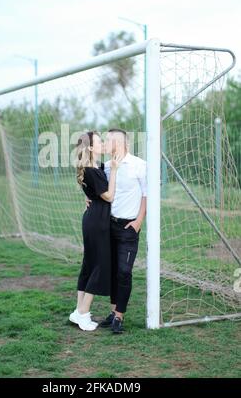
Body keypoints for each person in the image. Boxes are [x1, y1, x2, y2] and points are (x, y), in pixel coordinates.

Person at [69, 131, 122, 331]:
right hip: (97, 221)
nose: (103, 144)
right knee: (99, 265)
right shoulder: (91, 169)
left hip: (92, 218)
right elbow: (108, 196)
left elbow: (93, 190)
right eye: (100, 141)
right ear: (90, 147)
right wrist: (115, 170)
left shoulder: (94, 166)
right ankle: (83, 313)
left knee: (89, 264)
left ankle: (78, 311)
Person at [99, 128, 147, 334]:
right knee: (111, 271)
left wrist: (138, 221)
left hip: (129, 227)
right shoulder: (106, 167)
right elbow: (99, 191)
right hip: (109, 225)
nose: (105, 142)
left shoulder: (139, 165)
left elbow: (147, 195)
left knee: (124, 271)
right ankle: (113, 313)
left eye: (108, 139)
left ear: (121, 143)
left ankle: (120, 316)